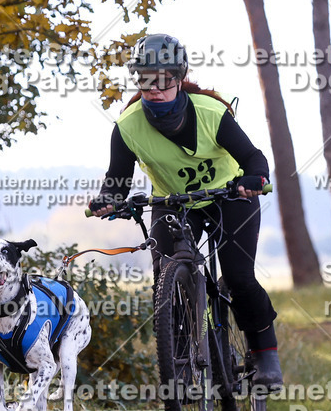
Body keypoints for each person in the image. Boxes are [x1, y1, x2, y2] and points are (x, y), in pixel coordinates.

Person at [88, 33, 283, 389]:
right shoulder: (128, 126)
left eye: (163, 80)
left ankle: (264, 350)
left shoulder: (211, 112)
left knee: (239, 278)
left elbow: (254, 158)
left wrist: (255, 177)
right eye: (146, 80)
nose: (155, 89)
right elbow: (117, 179)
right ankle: (179, 362)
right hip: (174, 202)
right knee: (166, 278)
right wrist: (107, 198)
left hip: (230, 196)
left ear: (179, 79)